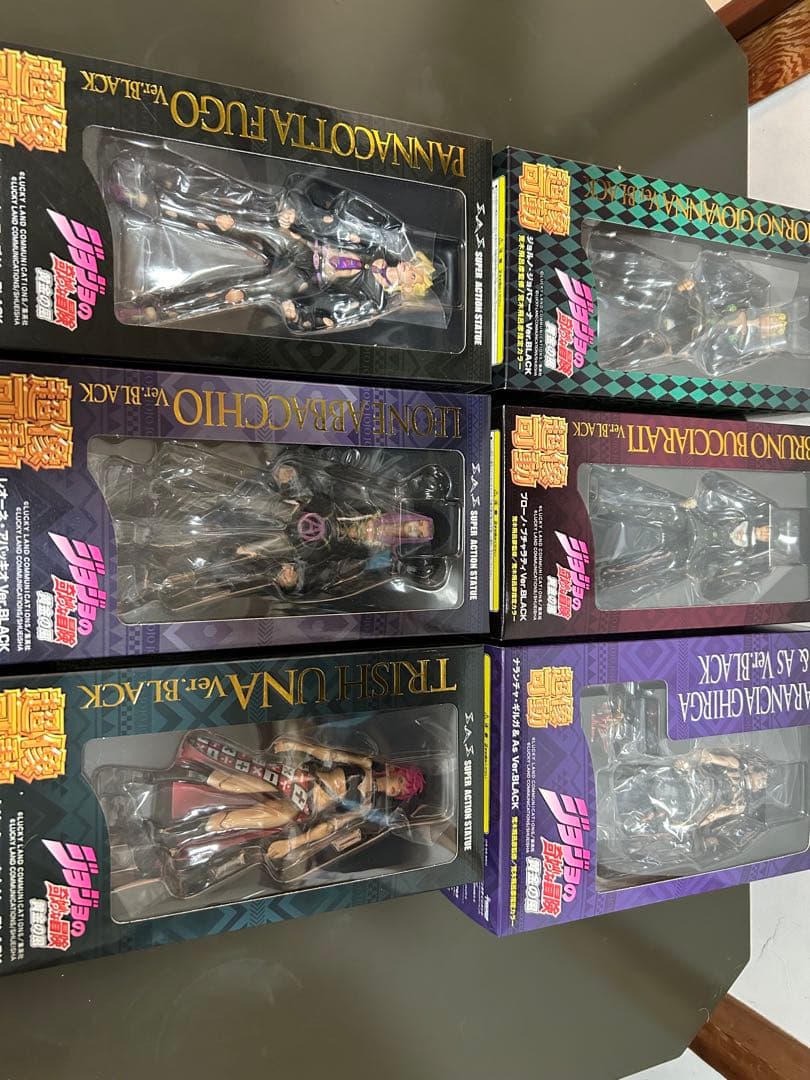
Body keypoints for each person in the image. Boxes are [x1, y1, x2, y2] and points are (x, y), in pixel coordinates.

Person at [100, 135, 439, 335]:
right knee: (229, 221)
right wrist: (295, 215)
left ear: (410, 287)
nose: (407, 269)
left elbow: (333, 315)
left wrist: (297, 315)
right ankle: (148, 202)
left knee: (237, 293)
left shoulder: (374, 301)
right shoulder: (375, 246)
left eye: (412, 275)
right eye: (412, 266)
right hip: (301, 243)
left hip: (302, 280)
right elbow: (333, 218)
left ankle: (158, 311)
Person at [94, 730, 427, 898]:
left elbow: (328, 828)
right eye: (399, 782)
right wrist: (299, 747)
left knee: (245, 819)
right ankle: (166, 776)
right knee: (231, 783)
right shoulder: (365, 764)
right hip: (299, 779)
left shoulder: (365, 807)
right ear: (395, 772)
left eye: (399, 790)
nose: (394, 788)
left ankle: (171, 835)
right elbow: (329, 753)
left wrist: (292, 845)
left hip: (301, 809)